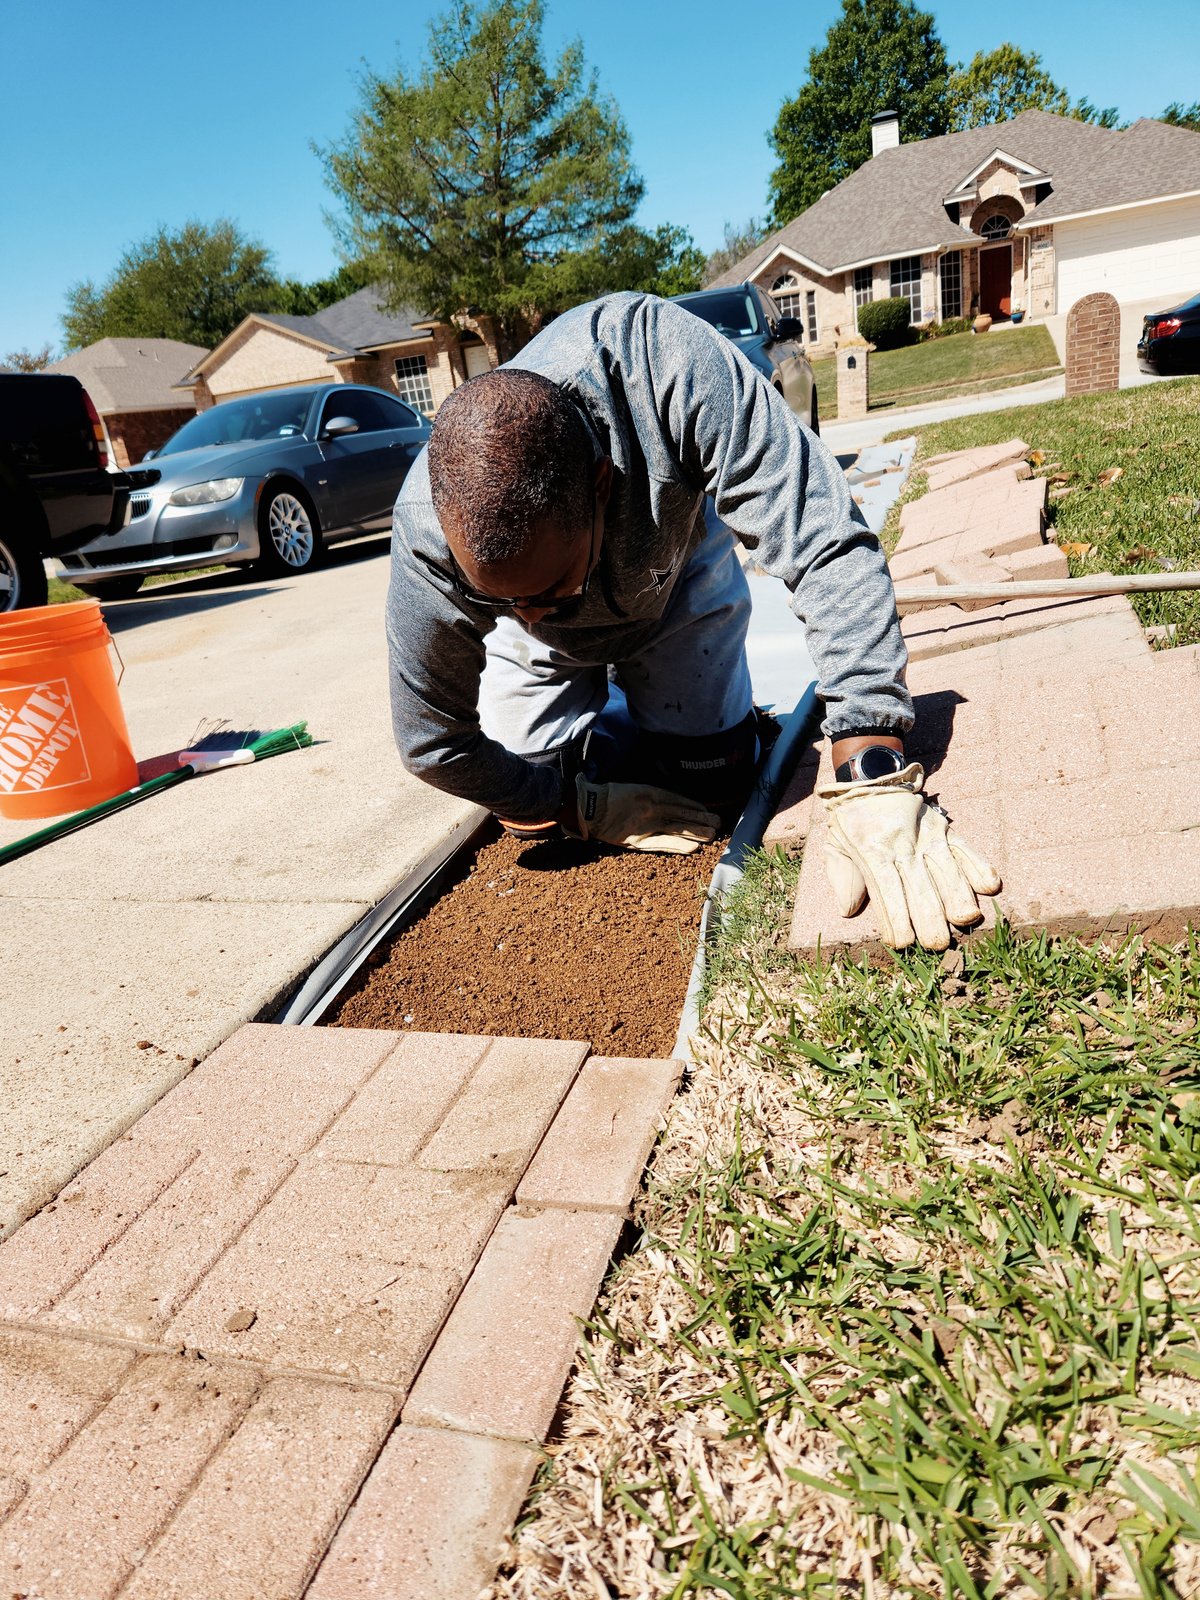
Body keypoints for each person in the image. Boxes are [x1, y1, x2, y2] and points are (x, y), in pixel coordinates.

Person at [387, 291, 998, 950]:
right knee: (527, 808)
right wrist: (570, 804)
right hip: (544, 654)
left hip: (671, 573)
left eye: (551, 589)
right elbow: (432, 742)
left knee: (716, 784)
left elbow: (820, 534)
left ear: (601, 484)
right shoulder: (429, 535)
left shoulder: (662, 364)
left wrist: (869, 752)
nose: (531, 613)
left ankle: (667, 724)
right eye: (500, 600)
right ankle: (602, 738)